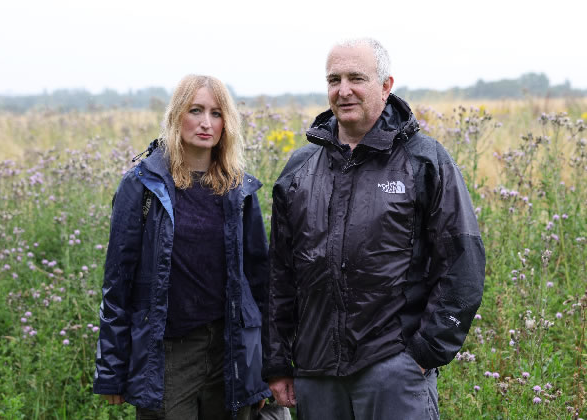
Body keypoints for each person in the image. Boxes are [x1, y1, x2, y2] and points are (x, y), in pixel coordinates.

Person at [262, 38, 485, 419]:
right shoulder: (299, 169)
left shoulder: (424, 161)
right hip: (316, 376)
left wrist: (424, 353)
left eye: (356, 78)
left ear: (386, 86)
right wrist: (279, 361)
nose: (343, 90)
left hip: (393, 371)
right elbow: (280, 276)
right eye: (334, 79)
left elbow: (462, 263)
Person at [93, 74, 276, 419]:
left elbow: (259, 283)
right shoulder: (142, 186)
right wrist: (111, 372)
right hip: (169, 355)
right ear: (177, 116)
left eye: (216, 113)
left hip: (230, 352)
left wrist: (263, 369)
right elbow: (118, 283)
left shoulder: (239, 190)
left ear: (227, 123)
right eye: (196, 110)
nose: (206, 123)